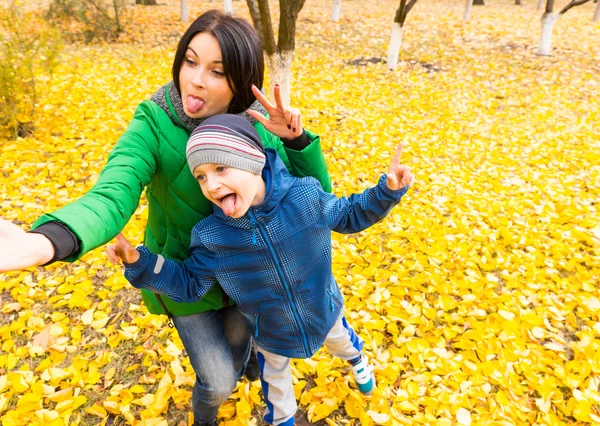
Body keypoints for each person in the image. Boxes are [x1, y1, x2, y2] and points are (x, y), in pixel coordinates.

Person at [0, 10, 331, 426]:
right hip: (184, 281)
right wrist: (49, 240)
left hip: (250, 278)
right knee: (215, 381)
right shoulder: (154, 122)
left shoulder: (259, 125)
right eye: (190, 61)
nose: (195, 79)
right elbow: (112, 192)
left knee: (241, 346)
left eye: (217, 71)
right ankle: (205, 417)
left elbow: (316, 200)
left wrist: (296, 141)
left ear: (241, 80)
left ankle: (251, 365)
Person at [107, 114, 415, 426]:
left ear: (253, 161)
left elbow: (349, 214)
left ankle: (357, 360)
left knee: (342, 342)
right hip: (269, 333)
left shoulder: (305, 196)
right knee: (278, 391)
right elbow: (189, 283)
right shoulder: (212, 235)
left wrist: (386, 192)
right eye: (200, 176)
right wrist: (139, 262)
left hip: (324, 308)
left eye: (220, 168)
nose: (211, 184)